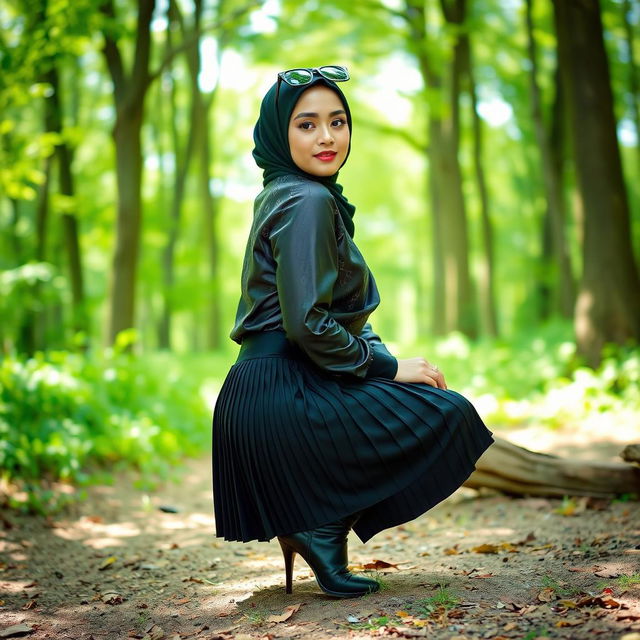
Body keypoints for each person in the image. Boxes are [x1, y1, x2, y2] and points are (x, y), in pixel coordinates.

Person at [211, 65, 494, 599]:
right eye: (307, 124)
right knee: (447, 411)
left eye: (338, 122)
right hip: (281, 394)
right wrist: (390, 367)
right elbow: (308, 324)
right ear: (279, 132)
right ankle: (320, 527)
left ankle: (318, 528)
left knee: (421, 402)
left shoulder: (285, 193)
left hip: (261, 392)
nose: (327, 137)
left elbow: (321, 317)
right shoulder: (307, 200)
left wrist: (381, 358)